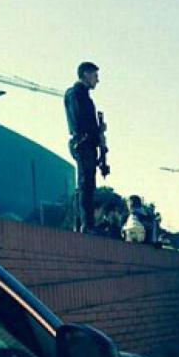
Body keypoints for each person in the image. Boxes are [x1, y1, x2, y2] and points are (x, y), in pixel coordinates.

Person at [64, 61, 103, 233]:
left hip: (87, 143)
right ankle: (84, 224)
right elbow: (80, 120)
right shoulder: (75, 94)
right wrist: (96, 131)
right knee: (85, 184)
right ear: (86, 74)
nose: (97, 80)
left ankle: (85, 224)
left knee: (88, 184)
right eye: (95, 75)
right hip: (82, 142)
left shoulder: (84, 96)